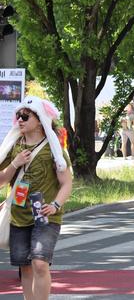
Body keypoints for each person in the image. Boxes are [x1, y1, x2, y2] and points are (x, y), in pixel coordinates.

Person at [0, 96, 72, 300]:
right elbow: (2, 181)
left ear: (39, 120)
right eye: (18, 116)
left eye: (25, 116)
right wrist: (14, 163)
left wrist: (56, 204)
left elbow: (67, 182)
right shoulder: (14, 147)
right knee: (26, 267)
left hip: (46, 216)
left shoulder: (54, 150)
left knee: (39, 263)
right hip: (19, 216)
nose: (20, 120)